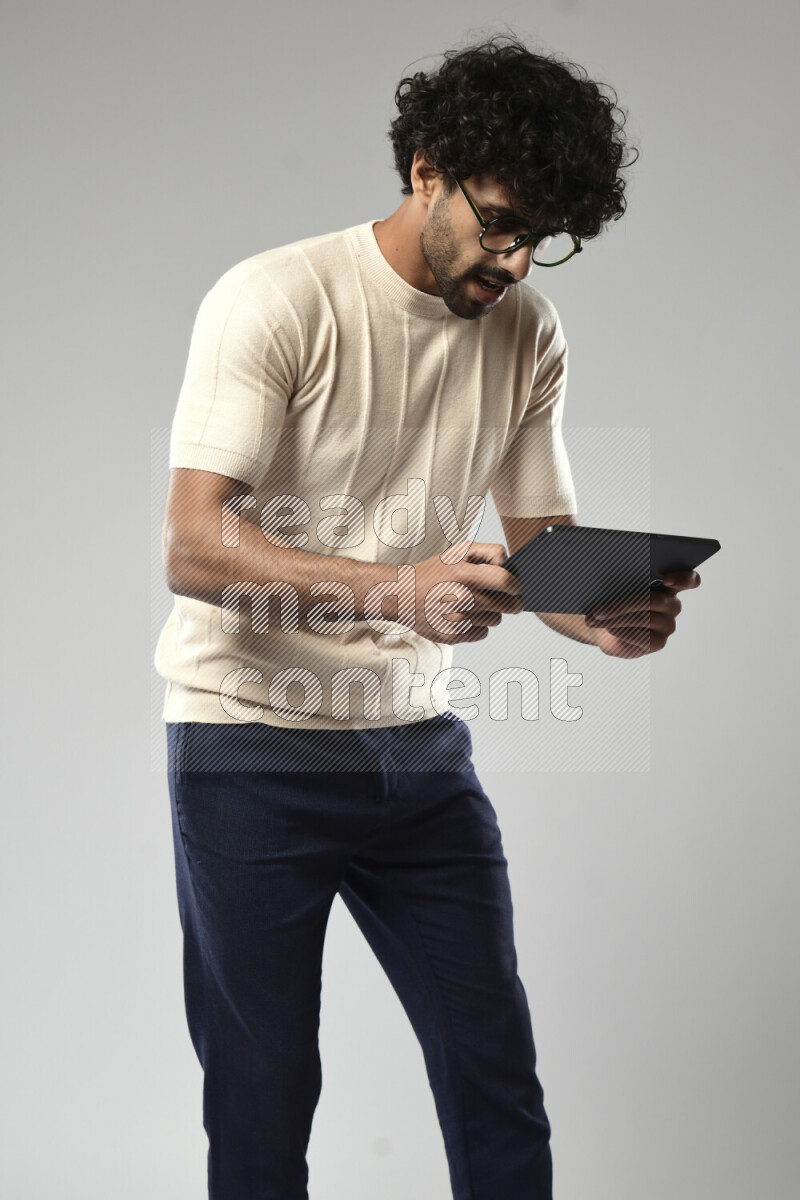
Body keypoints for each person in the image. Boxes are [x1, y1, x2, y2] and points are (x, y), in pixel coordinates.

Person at [155, 32, 700, 1200]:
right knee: (262, 1101)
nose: (512, 258)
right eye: (498, 222)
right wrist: (399, 592)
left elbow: (539, 545)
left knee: (491, 1071)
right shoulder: (277, 298)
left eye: (539, 238)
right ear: (424, 169)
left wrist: (596, 613)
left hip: (418, 751)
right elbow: (195, 545)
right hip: (247, 743)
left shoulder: (527, 330)